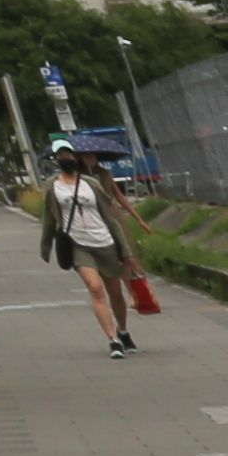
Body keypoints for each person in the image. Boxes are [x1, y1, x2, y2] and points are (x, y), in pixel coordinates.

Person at [41, 145, 143, 354]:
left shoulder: (91, 184)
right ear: (56, 160)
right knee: (95, 288)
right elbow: (49, 217)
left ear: (75, 158)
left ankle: (123, 331)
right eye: (61, 156)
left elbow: (110, 218)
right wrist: (46, 245)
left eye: (69, 155)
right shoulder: (52, 186)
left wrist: (125, 250)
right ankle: (113, 340)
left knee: (115, 293)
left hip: (105, 242)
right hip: (78, 245)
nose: (66, 159)